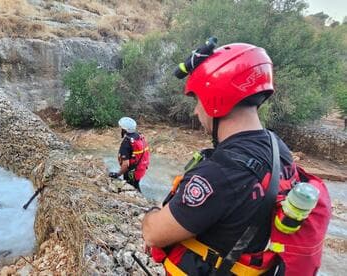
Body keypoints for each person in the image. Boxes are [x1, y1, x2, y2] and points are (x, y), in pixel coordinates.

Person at [141, 42, 331, 275]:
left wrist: (150, 214)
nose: (195, 111)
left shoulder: (222, 173)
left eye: (197, 100)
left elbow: (154, 234)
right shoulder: (277, 148)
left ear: (214, 98)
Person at [108, 117, 150, 192]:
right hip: (140, 169)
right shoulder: (139, 136)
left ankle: (141, 202)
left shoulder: (127, 142)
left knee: (132, 188)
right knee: (136, 185)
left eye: (120, 127)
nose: (119, 129)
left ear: (124, 129)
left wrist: (117, 174)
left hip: (131, 172)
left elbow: (125, 165)